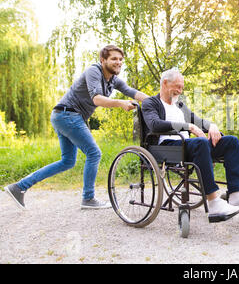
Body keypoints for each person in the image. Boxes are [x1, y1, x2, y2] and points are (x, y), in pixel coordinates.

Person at [4, 45, 149, 210]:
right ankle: (88, 198)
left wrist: (154, 101)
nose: (118, 62)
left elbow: (131, 91)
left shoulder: (113, 80)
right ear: (103, 60)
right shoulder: (94, 71)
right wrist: (120, 103)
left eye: (121, 59)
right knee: (94, 153)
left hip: (64, 116)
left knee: (67, 161)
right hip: (68, 115)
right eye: (114, 59)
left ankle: (19, 187)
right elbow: (97, 99)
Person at [142, 68, 239, 221]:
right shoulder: (150, 103)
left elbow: (198, 121)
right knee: (200, 142)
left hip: (191, 146)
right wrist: (188, 127)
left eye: (182, 87)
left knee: (231, 141)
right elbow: (155, 125)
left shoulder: (179, 105)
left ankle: (236, 194)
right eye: (177, 86)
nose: (180, 90)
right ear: (165, 83)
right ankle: (213, 202)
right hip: (168, 147)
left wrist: (211, 125)